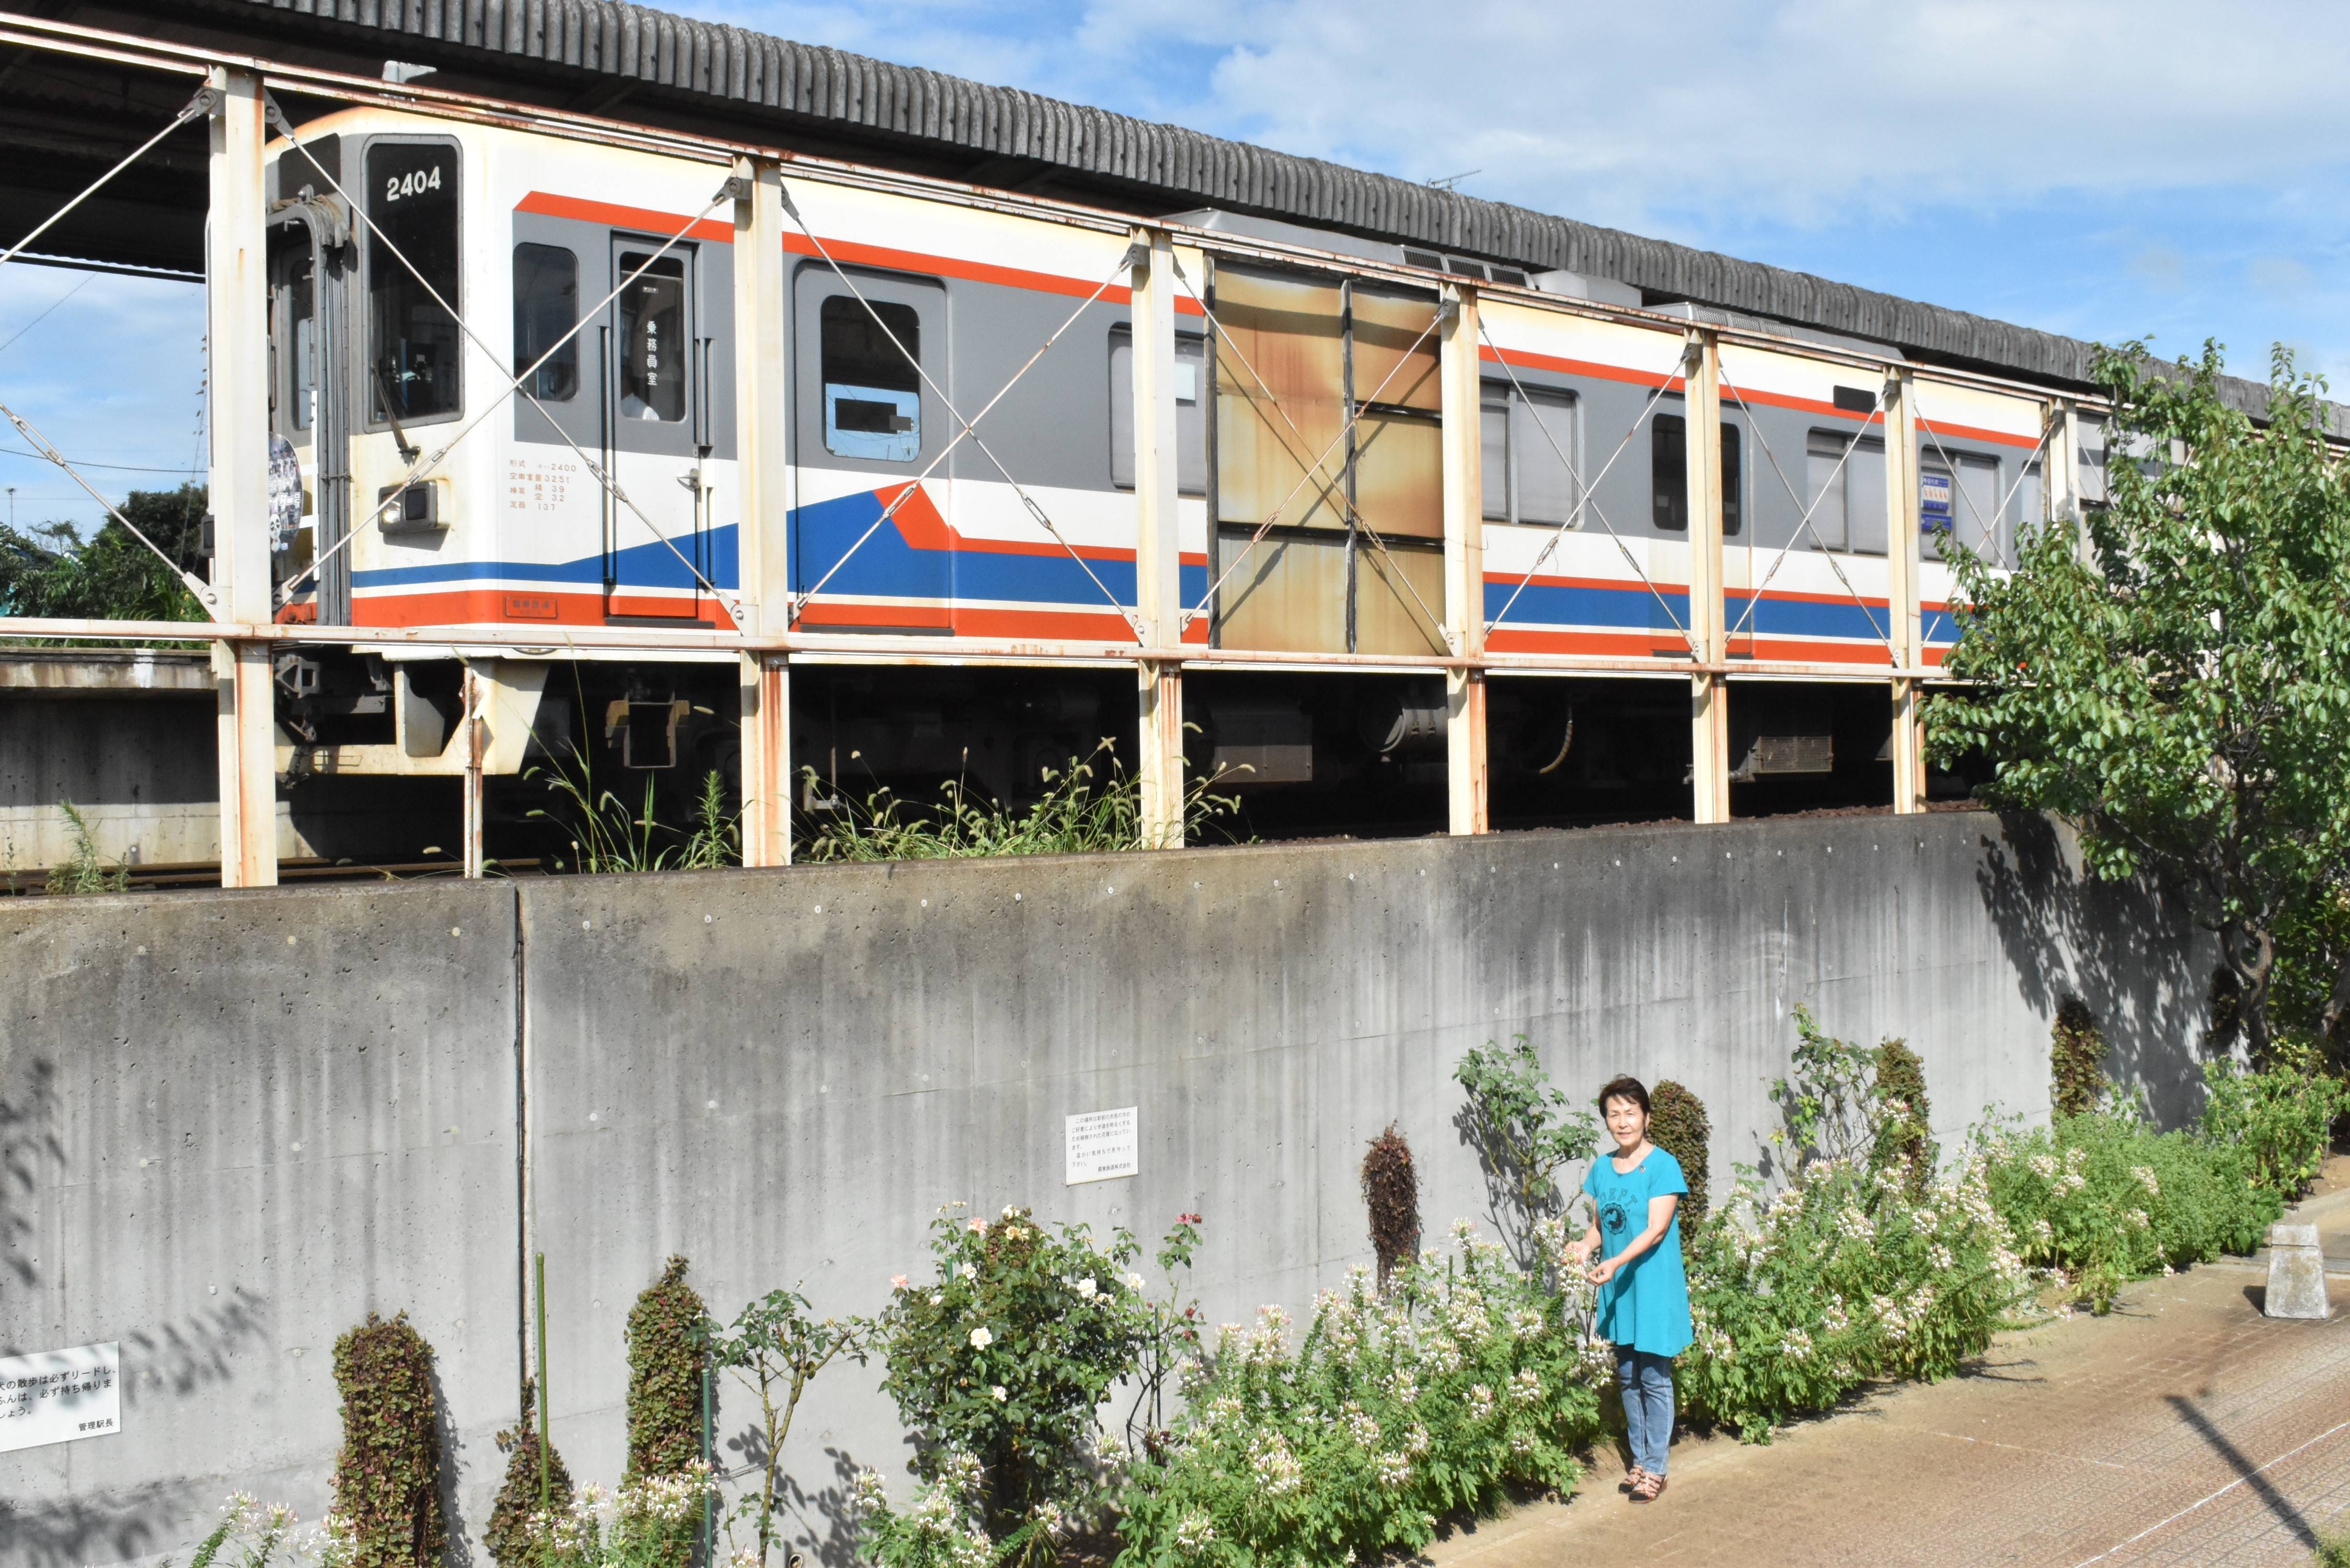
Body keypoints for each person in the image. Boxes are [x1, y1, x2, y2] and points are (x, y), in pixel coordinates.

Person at [1565, 1074, 1692, 1502]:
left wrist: (1615, 1262)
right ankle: (1639, 1461)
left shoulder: (1663, 1166)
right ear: (1607, 1121)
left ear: (1646, 1117)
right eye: (1614, 1114)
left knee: (1654, 1378)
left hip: (1653, 1287)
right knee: (1628, 1377)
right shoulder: (1603, 1168)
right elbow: (1605, 1226)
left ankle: (1656, 1468)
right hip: (1620, 1291)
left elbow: (1656, 1230)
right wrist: (1584, 1246)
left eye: (1630, 1113)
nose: (1623, 1122)